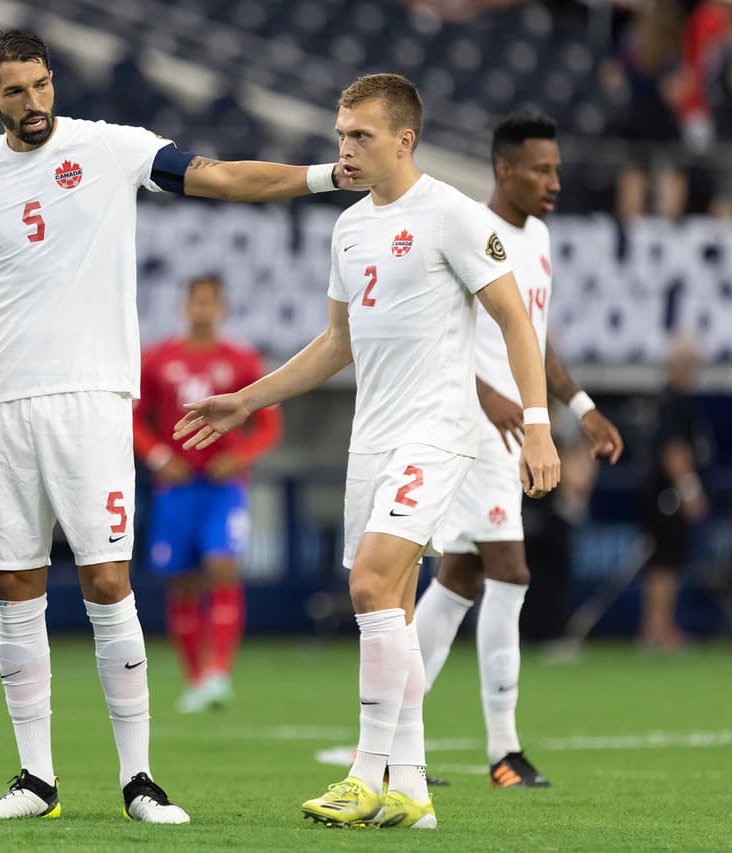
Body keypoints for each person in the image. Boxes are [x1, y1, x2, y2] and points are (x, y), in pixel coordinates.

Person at [0, 28, 352, 824]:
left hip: (93, 399)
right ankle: (34, 779)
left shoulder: (109, 148)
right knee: (16, 589)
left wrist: (321, 175)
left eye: (41, 84)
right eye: (16, 91)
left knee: (108, 582)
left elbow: (217, 177)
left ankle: (140, 778)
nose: (34, 102)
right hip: (7, 401)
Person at [176, 73, 561, 830]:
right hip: (373, 436)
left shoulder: (450, 214)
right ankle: (412, 791)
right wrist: (247, 397)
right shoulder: (349, 226)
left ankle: (365, 771)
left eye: (361, 136)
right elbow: (336, 343)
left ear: (404, 140)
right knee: (385, 603)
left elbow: (515, 319)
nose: (346, 149)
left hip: (437, 430)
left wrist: (542, 423)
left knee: (367, 583)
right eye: (341, 135)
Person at [414, 113, 625, 790]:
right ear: (504, 168)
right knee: (510, 569)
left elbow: (533, 337)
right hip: (474, 427)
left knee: (461, 577)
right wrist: (485, 393)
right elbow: (435, 336)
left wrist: (582, 407)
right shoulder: (471, 232)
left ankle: (391, 737)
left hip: (515, 428)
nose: (554, 181)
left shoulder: (537, 239)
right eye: (541, 169)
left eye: (557, 169)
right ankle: (504, 750)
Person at [133, 275, 282, 713]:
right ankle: (194, 679)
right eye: (195, 301)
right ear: (184, 306)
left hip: (223, 486)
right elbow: (136, 420)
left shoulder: (241, 361)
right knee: (182, 581)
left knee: (222, 566)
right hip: (175, 487)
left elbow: (269, 426)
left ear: (222, 309)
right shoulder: (158, 358)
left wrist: (241, 458)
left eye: (210, 302)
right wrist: (160, 457)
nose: (202, 309)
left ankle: (219, 672)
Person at [639, 338, 712, 650]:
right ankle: (657, 631)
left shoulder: (671, 400)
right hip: (668, 498)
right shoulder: (674, 402)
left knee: (665, 565)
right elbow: (674, 450)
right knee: (664, 566)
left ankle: (657, 628)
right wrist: (691, 491)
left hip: (663, 496)